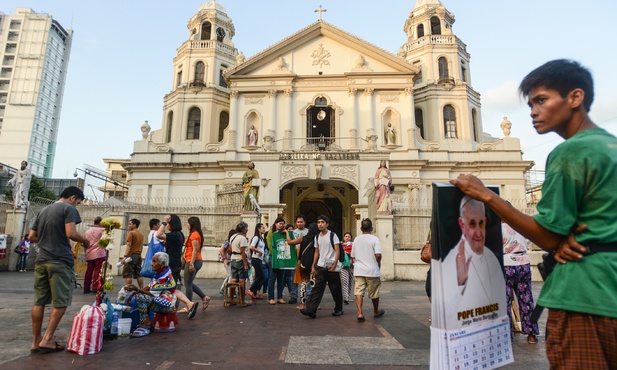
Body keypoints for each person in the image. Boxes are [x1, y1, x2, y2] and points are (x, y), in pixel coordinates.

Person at [452, 59, 617, 368]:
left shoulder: (571, 152)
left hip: (585, 294)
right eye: (530, 104)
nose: (533, 111)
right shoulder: (610, 146)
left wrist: (485, 194)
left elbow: (547, 234)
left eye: (542, 100)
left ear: (575, 98)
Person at [28, 186, 90, 354]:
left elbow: (31, 237)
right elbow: (71, 233)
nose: (77, 205)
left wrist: (49, 239)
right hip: (59, 261)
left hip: (42, 261)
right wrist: (85, 241)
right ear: (72, 197)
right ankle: (47, 339)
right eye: (78, 202)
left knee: (39, 301)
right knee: (61, 302)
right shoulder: (68, 208)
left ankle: (35, 341)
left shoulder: (44, 210)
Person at [441, 196, 506, 330]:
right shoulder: (450, 262)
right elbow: (444, 313)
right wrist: (460, 283)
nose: (478, 233)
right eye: (472, 224)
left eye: (481, 223)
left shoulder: (492, 258)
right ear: (462, 224)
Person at [124, 252, 198, 337]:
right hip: (159, 301)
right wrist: (133, 292)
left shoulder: (164, 277)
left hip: (165, 307)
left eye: (154, 262)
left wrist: (136, 290)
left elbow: (152, 294)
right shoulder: (160, 273)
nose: (152, 264)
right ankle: (147, 321)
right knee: (139, 295)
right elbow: (148, 287)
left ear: (162, 264)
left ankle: (144, 323)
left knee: (141, 297)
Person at [502, 221, 539, 344]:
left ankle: (507, 335)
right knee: (526, 300)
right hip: (523, 263)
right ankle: (531, 334)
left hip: (507, 264)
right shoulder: (520, 225)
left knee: (505, 301)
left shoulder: (500, 228)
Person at [300, 215, 344, 318]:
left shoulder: (333, 235)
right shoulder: (317, 237)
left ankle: (338, 309)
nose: (320, 224)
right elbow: (316, 251)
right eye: (319, 222)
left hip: (332, 267)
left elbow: (337, 250)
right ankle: (311, 309)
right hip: (320, 266)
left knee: (335, 289)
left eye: (322, 222)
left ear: (327, 224)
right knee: (317, 288)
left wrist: (334, 265)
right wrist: (313, 266)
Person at [351, 218, 384, 321]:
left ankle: (360, 313)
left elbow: (353, 256)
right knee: (374, 293)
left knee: (358, 291)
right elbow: (378, 255)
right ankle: (375, 311)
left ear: (361, 228)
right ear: (372, 228)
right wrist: (378, 263)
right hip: (372, 270)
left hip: (359, 270)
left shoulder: (356, 239)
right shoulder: (374, 239)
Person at [267, 217, 297, 305]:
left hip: (283, 259)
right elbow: (270, 246)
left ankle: (279, 297)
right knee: (272, 279)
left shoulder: (286, 233)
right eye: (280, 223)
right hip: (274, 258)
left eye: (283, 224)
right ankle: (271, 297)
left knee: (281, 279)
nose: (281, 225)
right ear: (275, 224)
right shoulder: (272, 234)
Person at [183, 216, 210, 312]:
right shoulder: (194, 234)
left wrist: (191, 264)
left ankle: (189, 305)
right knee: (188, 283)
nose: (187, 225)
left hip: (193, 260)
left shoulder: (194, 235)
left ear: (192, 224)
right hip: (193, 260)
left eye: (188, 223)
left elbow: (195, 250)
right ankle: (204, 297)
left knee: (188, 285)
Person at [155, 214, 185, 291]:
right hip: (176, 263)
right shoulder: (180, 234)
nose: (167, 225)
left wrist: (164, 222)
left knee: (167, 288)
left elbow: (158, 235)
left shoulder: (174, 235)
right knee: (171, 288)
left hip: (172, 264)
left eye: (168, 224)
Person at [229, 221, 250, 306]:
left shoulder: (232, 236)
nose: (247, 230)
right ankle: (242, 300)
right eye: (246, 228)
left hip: (233, 259)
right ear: (243, 229)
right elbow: (242, 252)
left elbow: (230, 250)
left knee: (234, 279)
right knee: (242, 281)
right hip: (240, 260)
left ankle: (231, 299)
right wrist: (245, 264)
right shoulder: (242, 238)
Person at [83, 217, 106, 294]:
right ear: (100, 223)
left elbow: (85, 243)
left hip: (89, 252)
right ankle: (95, 287)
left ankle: (86, 288)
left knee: (89, 271)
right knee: (98, 271)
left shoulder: (87, 231)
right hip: (99, 253)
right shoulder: (102, 230)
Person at [121, 218, 145, 289]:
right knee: (138, 274)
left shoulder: (131, 233)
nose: (129, 226)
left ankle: (128, 290)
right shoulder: (141, 234)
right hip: (138, 256)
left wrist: (125, 256)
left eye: (130, 224)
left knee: (128, 274)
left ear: (135, 225)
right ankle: (142, 289)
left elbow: (129, 245)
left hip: (131, 256)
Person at [246, 223, 267, 300]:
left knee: (258, 276)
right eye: (263, 228)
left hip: (260, 259)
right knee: (261, 276)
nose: (264, 229)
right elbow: (251, 247)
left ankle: (254, 293)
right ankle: (251, 290)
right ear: (258, 229)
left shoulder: (261, 238)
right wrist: (258, 251)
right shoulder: (256, 238)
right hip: (255, 259)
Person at [219, 229, 236, 295]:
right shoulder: (228, 242)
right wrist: (225, 259)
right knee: (230, 275)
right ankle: (229, 291)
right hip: (228, 260)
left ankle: (223, 288)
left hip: (230, 260)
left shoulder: (230, 242)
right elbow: (221, 250)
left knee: (229, 275)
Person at [340, 232, 353, 305]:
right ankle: (345, 298)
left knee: (350, 281)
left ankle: (347, 296)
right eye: (346, 236)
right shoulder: (340, 245)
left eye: (349, 237)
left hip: (351, 266)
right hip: (344, 265)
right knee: (345, 281)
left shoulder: (353, 245)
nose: (347, 238)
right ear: (343, 237)